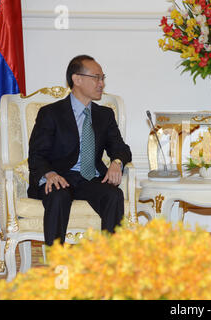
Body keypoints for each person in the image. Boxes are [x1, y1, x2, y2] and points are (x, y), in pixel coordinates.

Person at [28, 55, 132, 246]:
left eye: (103, 78)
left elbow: (121, 148)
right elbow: (36, 154)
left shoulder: (104, 115)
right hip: (59, 177)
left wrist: (117, 162)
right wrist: (49, 174)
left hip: (90, 179)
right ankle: (56, 261)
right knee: (59, 195)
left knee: (113, 195)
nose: (101, 83)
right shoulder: (51, 113)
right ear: (77, 79)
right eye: (96, 77)